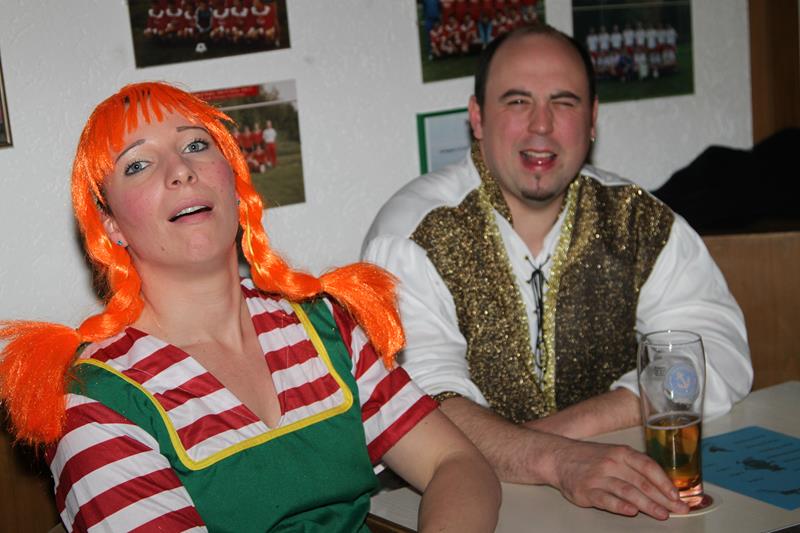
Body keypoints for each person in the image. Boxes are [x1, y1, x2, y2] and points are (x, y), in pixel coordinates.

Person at [0, 82, 500, 532]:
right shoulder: (97, 401)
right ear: (109, 224)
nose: (181, 171)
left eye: (196, 145)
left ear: (234, 181)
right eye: (138, 164)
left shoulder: (324, 324)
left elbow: (456, 464)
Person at [362, 24, 752, 520]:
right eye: (517, 101)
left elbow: (717, 351)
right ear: (477, 117)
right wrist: (558, 459)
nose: (541, 126)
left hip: (607, 502)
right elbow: (420, 405)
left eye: (564, 103)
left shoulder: (639, 222)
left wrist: (569, 431)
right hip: (458, 507)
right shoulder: (412, 236)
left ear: (592, 120)